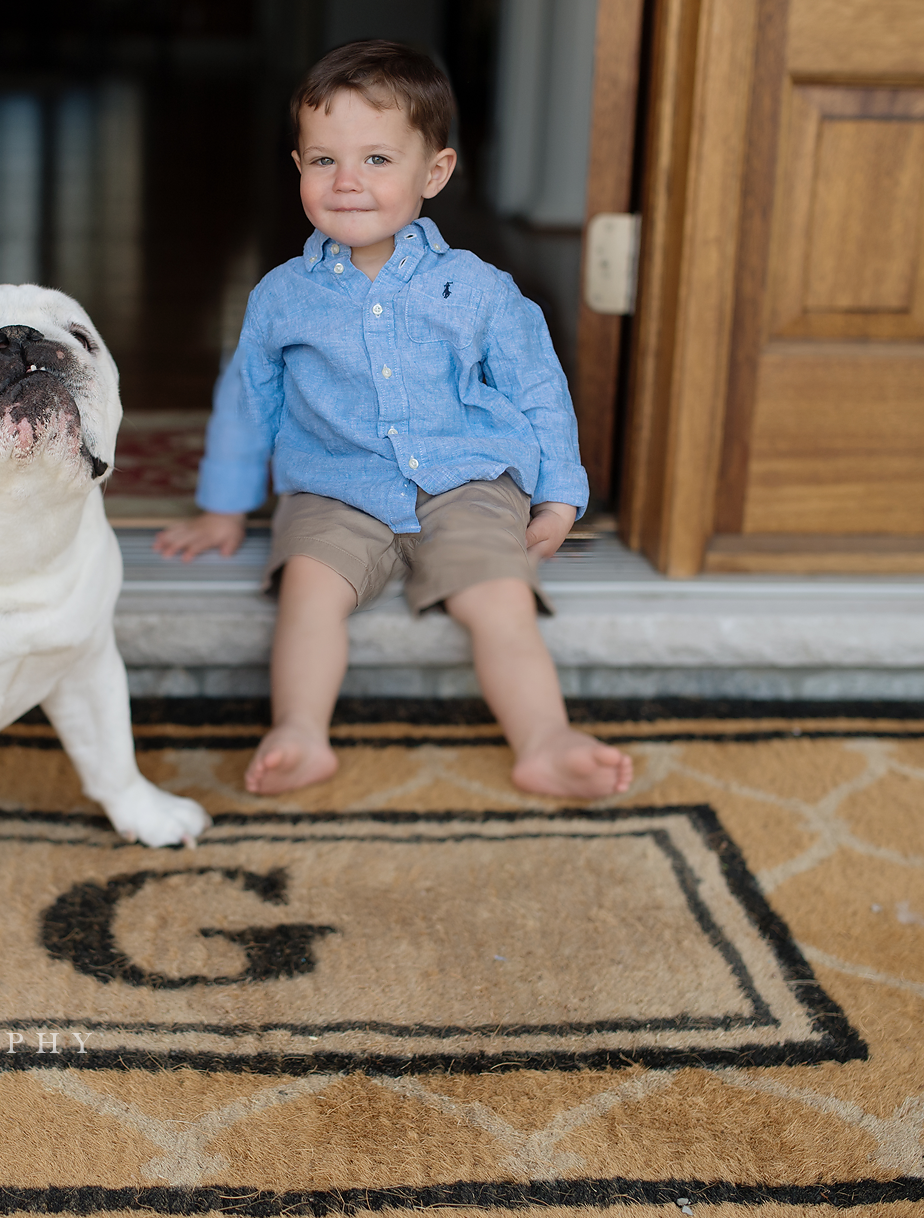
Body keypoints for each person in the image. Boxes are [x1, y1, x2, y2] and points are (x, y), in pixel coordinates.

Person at [154, 40, 634, 800]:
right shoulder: (282, 297)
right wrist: (222, 507)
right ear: (298, 167)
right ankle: (300, 731)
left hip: (466, 480)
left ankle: (545, 739)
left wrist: (559, 493)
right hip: (336, 487)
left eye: (377, 160)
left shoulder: (478, 288)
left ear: (434, 173)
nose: (347, 182)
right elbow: (249, 400)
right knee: (309, 593)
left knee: (499, 596)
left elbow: (538, 386)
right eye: (323, 161)